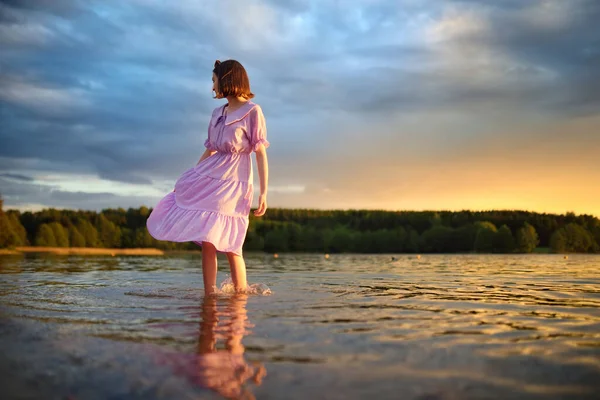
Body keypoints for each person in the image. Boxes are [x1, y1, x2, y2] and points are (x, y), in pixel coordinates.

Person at [147, 59, 269, 295]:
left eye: (214, 81)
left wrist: (264, 192)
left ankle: (240, 296)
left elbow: (260, 153)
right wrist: (192, 177)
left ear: (227, 80)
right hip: (212, 178)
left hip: (236, 182)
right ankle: (210, 295)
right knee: (208, 239)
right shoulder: (217, 113)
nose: (212, 87)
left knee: (233, 243)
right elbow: (211, 148)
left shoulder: (253, 111)